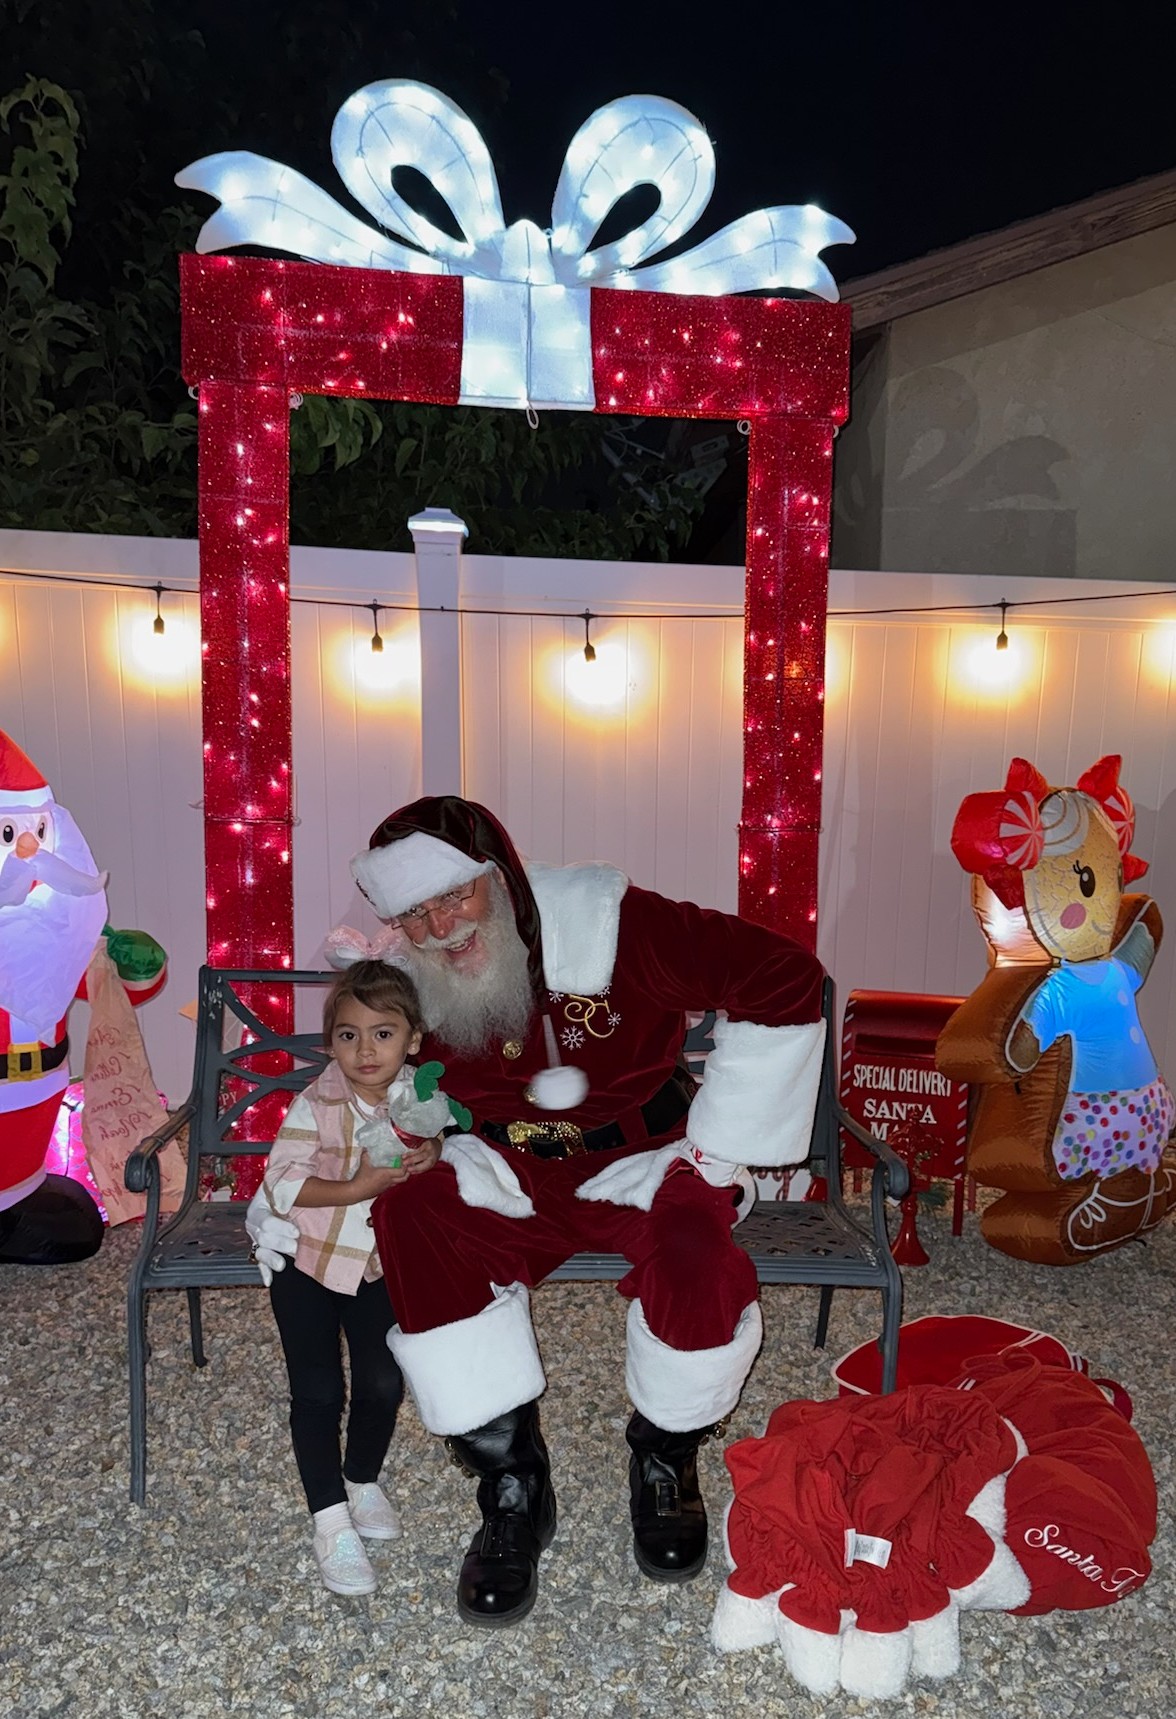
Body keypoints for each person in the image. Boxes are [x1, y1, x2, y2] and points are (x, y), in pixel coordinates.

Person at [248, 796, 826, 1627]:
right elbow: (354, 1073)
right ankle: (512, 1485)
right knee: (413, 1218)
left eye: (454, 895)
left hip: (641, 1157)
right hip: (504, 1167)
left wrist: (725, 1142)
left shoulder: (616, 923)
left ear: (499, 875)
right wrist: (277, 1194)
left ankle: (666, 1455)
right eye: (415, 912)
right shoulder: (410, 969)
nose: (441, 927)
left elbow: (787, 976)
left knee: (696, 1250)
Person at [259, 958, 448, 1596]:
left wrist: (434, 1151)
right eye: (349, 1035)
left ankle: (361, 1479)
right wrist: (356, 1187)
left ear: (413, 1040)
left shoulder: (420, 1097)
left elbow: (443, 1146)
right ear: (331, 1043)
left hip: (378, 1265)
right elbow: (281, 1182)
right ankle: (330, 1519)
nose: (366, 1051)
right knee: (317, 1390)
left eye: (383, 1034)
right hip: (308, 1261)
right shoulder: (317, 1102)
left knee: (382, 1381)